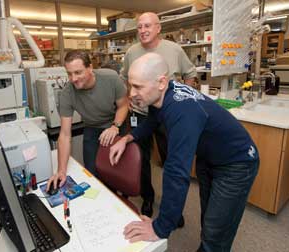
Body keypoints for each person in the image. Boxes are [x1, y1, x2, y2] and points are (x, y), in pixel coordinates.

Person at [110, 53, 259, 252]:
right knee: (209, 219)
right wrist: (128, 138)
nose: (131, 93)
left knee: (216, 231)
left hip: (237, 163)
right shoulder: (161, 96)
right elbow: (152, 121)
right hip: (209, 158)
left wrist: (160, 228)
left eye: (138, 86)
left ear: (161, 82)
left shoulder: (181, 111)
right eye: (130, 85)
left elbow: (176, 172)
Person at [120, 12, 197, 219]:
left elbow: (190, 75)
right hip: (140, 114)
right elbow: (124, 77)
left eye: (147, 26)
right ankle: (147, 198)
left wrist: (182, 100)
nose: (143, 31)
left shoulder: (174, 50)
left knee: (170, 161)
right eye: (139, 27)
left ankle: (173, 207)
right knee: (141, 160)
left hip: (166, 115)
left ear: (158, 28)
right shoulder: (131, 52)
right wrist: (130, 96)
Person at [47, 50, 128, 190]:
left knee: (117, 172)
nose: (73, 79)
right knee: (92, 172)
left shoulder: (111, 78)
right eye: (69, 73)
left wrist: (115, 126)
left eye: (78, 72)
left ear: (90, 68)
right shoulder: (67, 94)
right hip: (92, 127)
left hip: (116, 122)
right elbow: (65, 135)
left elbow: (124, 106)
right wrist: (61, 171)